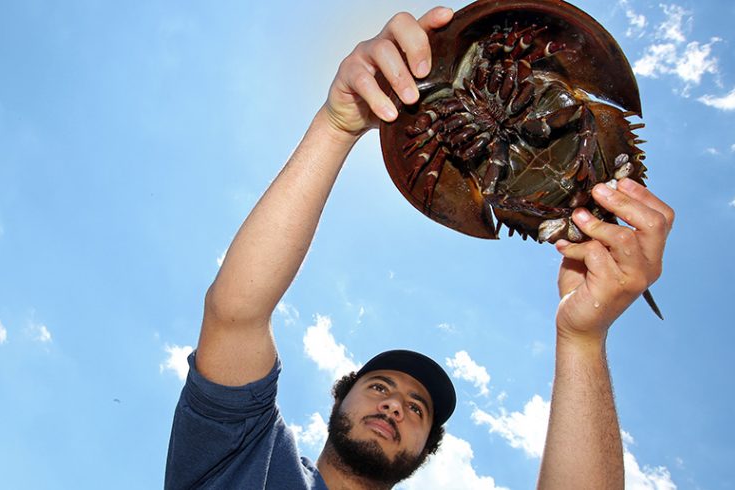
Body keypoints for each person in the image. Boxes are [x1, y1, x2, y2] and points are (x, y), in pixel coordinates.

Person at [164, 6, 674, 490]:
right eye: (381, 387)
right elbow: (235, 313)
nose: (394, 408)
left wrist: (582, 340)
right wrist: (337, 125)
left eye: (416, 409)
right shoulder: (242, 465)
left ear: (426, 448)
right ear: (338, 402)